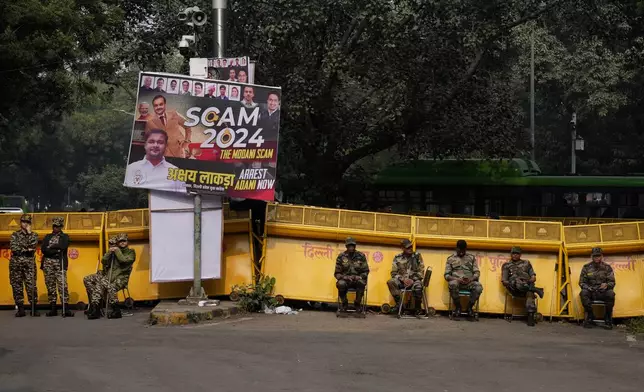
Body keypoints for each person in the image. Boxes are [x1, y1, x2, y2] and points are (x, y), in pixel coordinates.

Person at [83, 233, 136, 320]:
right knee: (87, 279)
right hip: (108, 275)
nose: (122, 243)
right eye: (120, 241)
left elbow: (123, 261)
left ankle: (115, 310)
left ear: (127, 242)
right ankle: (96, 304)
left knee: (103, 283)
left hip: (121, 277)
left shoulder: (131, 252)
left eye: (124, 241)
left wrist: (117, 251)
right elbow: (103, 261)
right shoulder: (113, 251)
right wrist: (109, 252)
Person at [501, 246, 544, 326]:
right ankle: (536, 290)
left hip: (527, 285)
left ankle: (531, 315)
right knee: (517, 281)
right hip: (514, 288)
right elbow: (504, 281)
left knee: (529, 294)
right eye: (513, 253)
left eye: (517, 254)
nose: (515, 255)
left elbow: (533, 277)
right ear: (511, 254)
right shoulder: (506, 265)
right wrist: (511, 282)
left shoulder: (526, 263)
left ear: (520, 255)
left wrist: (531, 279)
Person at [41, 216, 73, 317]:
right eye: (54, 226)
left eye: (58, 226)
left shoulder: (65, 237)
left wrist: (51, 248)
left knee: (62, 285)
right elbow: (43, 249)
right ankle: (53, 308)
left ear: (61, 227)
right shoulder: (47, 237)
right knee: (50, 286)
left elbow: (63, 247)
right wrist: (55, 249)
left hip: (60, 263)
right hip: (48, 263)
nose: (56, 228)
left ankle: (65, 308)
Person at [9, 214, 39, 317]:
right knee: (17, 285)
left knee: (31, 285)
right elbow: (14, 247)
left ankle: (33, 308)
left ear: (30, 224)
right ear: (20, 222)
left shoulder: (34, 235)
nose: (25, 224)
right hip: (16, 263)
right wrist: (27, 249)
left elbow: (33, 246)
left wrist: (29, 233)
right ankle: (20, 309)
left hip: (29, 263)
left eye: (27, 222)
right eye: (23, 222)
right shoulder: (15, 235)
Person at [444, 240, 483, 320]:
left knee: (478, 287)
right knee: (452, 284)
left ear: (466, 249)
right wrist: (457, 279)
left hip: (469, 282)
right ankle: (458, 307)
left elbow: (477, 272)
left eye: (463, 251)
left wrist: (471, 279)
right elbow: (447, 275)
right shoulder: (450, 259)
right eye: (459, 250)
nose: (461, 253)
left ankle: (469, 308)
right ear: (456, 249)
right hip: (457, 282)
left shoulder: (471, 258)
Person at [386, 239, 425, 316]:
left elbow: (421, 271)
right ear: (402, 248)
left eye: (411, 246)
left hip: (414, 280)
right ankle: (400, 306)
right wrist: (403, 279)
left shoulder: (417, 256)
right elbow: (393, 273)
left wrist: (412, 280)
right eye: (408, 247)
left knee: (418, 286)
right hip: (402, 281)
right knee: (390, 282)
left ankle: (417, 308)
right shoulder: (397, 258)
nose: (410, 248)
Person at [579, 247, 616, 329]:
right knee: (583, 293)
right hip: (591, 291)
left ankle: (607, 318)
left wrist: (606, 285)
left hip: (602, 292)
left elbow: (612, 282)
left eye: (598, 256)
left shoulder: (607, 267)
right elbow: (581, 282)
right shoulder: (586, 267)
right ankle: (590, 315)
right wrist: (587, 287)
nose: (597, 258)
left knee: (611, 294)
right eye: (595, 256)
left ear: (602, 256)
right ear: (591, 256)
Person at [334, 237, 369, 312]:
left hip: (357, 280)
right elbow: (337, 273)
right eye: (349, 246)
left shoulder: (361, 256)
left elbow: (366, 271)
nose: (351, 247)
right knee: (340, 284)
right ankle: (344, 303)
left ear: (355, 246)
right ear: (346, 246)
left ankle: (357, 304)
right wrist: (345, 277)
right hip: (346, 280)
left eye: (352, 245)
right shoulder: (341, 256)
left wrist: (359, 277)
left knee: (362, 283)